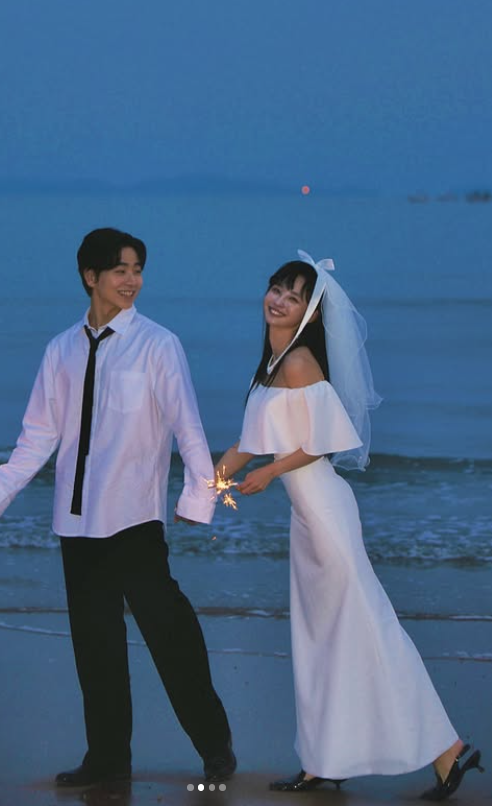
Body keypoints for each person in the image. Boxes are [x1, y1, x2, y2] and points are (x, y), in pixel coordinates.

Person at [0, 227, 236, 788]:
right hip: (76, 523)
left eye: (137, 269)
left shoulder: (158, 344)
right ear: (90, 276)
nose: (131, 280)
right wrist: (0, 490)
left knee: (170, 634)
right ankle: (108, 760)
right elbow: (39, 435)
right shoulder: (61, 350)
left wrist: (199, 497)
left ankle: (215, 746)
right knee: (95, 646)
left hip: (134, 518)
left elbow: (187, 427)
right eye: (120, 270)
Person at [215, 250, 483, 800]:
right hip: (306, 518)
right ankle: (323, 760)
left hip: (326, 514)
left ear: (310, 313)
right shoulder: (271, 363)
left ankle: (449, 750)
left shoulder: (299, 363)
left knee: (369, 632)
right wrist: (207, 481)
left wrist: (269, 472)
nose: (279, 300)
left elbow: (325, 441)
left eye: (293, 297)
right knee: (318, 639)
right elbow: (250, 441)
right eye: (276, 289)